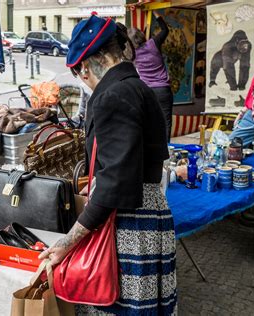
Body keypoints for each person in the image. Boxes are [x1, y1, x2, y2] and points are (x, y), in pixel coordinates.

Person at [39, 14, 177, 314]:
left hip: (128, 223)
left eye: (79, 73)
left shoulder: (112, 95)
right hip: (150, 216)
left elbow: (115, 182)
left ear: (85, 67)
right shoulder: (140, 87)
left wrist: (68, 241)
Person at [128, 11, 172, 141]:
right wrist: (156, 14)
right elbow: (165, 30)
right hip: (163, 90)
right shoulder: (153, 44)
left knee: (150, 121)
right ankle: (166, 151)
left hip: (146, 91)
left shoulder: (132, 54)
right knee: (166, 121)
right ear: (141, 35)